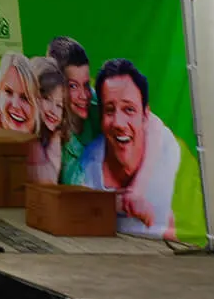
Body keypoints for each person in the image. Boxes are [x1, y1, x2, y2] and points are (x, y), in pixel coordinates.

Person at [77, 59, 179, 239]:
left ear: (144, 115)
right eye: (109, 110)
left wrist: (138, 188)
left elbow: (168, 217)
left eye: (129, 109)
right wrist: (122, 202)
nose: (118, 123)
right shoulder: (88, 169)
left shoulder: (166, 148)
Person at [48, 36, 98, 183]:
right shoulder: (49, 127)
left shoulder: (97, 104)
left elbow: (151, 124)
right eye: (73, 86)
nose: (84, 96)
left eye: (86, 84)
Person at [26, 55, 70, 186]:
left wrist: (56, 139)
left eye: (59, 105)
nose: (53, 111)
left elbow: (50, 181)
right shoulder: (25, 134)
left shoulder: (54, 136)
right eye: (47, 99)